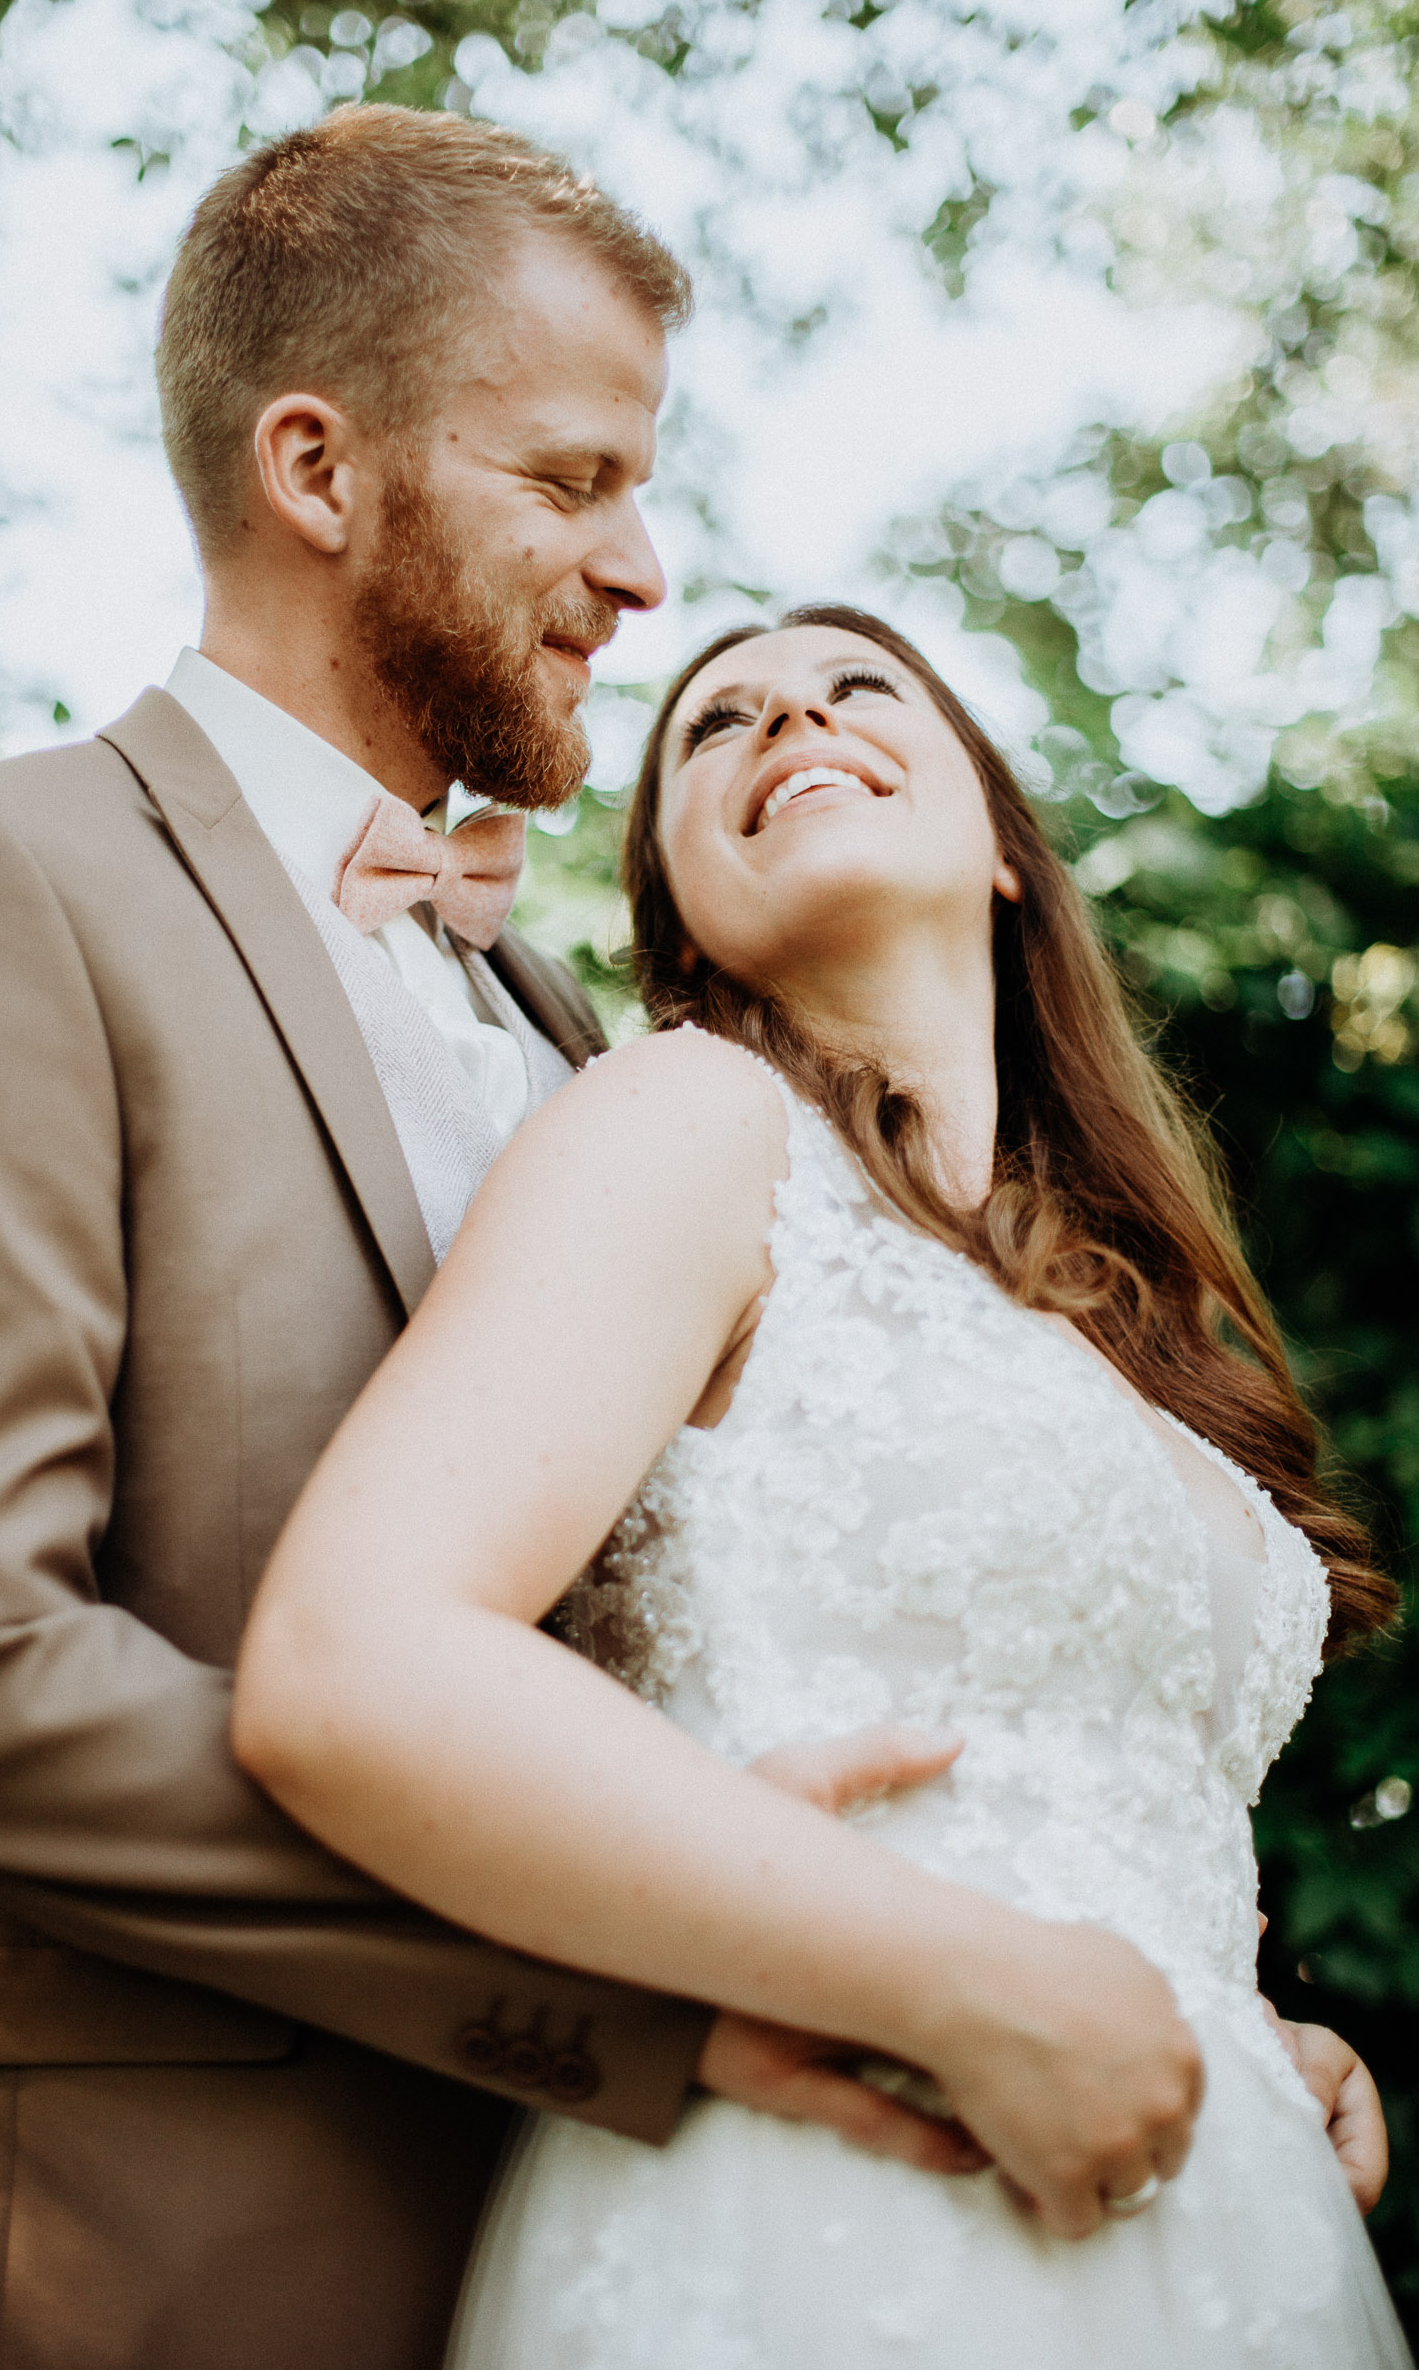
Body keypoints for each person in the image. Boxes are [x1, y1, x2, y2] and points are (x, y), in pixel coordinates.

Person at [0, 109, 950, 2370]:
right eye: (571, 480)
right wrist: (622, 1967)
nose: (646, 572)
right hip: (184, 2259)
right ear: (319, 473)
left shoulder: (590, 1040)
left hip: (661, 2259)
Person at [233, 604, 1413, 2368]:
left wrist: (1246, 2030)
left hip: (1222, 2230)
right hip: (835, 2213)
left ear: (1008, 854)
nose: (790, 708)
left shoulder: (1129, 1333)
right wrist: (963, 1978)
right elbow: (356, 1661)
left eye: (862, 688)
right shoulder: (690, 1122)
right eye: (716, 726)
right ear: (677, 917)